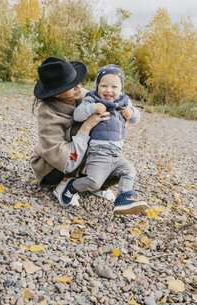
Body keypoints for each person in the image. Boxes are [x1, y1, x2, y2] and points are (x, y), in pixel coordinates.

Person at [57, 64, 148, 215]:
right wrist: (93, 108)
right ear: (97, 85)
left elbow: (136, 119)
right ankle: (72, 186)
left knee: (129, 171)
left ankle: (123, 200)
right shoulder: (92, 98)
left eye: (114, 87)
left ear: (121, 89)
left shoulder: (125, 101)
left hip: (117, 153)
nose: (109, 90)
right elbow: (77, 115)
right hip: (98, 152)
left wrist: (131, 111)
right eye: (104, 85)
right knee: (93, 183)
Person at [31, 57, 120, 206]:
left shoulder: (83, 95)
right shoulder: (47, 113)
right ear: (56, 93)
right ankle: (65, 184)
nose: (78, 86)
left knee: (118, 168)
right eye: (70, 85)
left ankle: (95, 186)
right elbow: (59, 155)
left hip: (80, 159)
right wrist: (86, 127)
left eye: (76, 81)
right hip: (54, 169)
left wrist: (127, 111)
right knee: (82, 126)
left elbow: (114, 103)